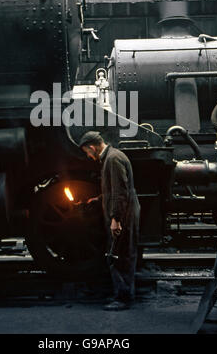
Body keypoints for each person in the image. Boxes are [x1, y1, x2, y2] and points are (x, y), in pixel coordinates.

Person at [79, 131, 141, 311]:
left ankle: (123, 298)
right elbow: (114, 190)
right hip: (124, 212)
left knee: (119, 256)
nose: (88, 156)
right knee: (120, 255)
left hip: (124, 215)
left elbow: (120, 192)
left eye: (87, 152)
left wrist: (116, 219)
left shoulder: (113, 160)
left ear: (92, 147)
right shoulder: (112, 157)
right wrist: (97, 200)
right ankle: (122, 294)